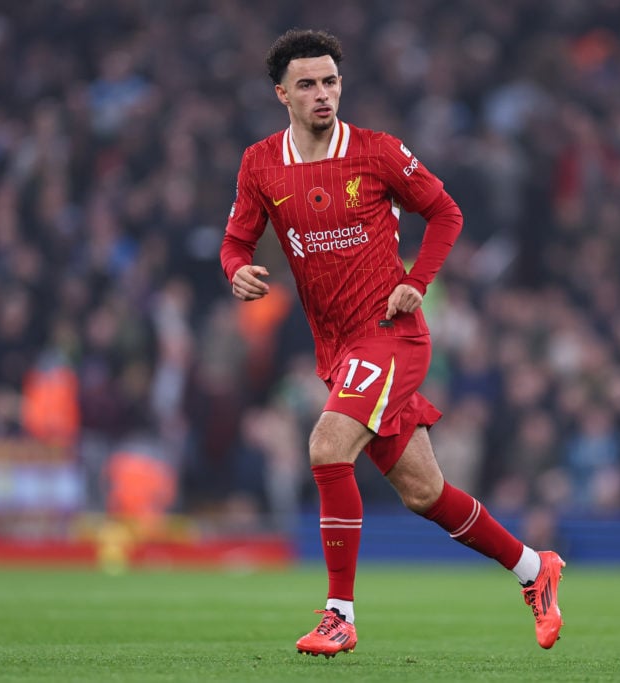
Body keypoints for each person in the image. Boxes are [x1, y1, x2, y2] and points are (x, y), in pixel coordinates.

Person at [220, 28, 565, 658]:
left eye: (330, 81)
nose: (323, 93)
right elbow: (236, 240)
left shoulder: (377, 153)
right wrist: (235, 268)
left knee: (327, 447)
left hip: (389, 337)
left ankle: (338, 614)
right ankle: (532, 568)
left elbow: (447, 213)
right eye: (307, 84)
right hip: (339, 350)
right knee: (423, 491)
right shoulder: (260, 163)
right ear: (282, 94)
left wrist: (416, 282)